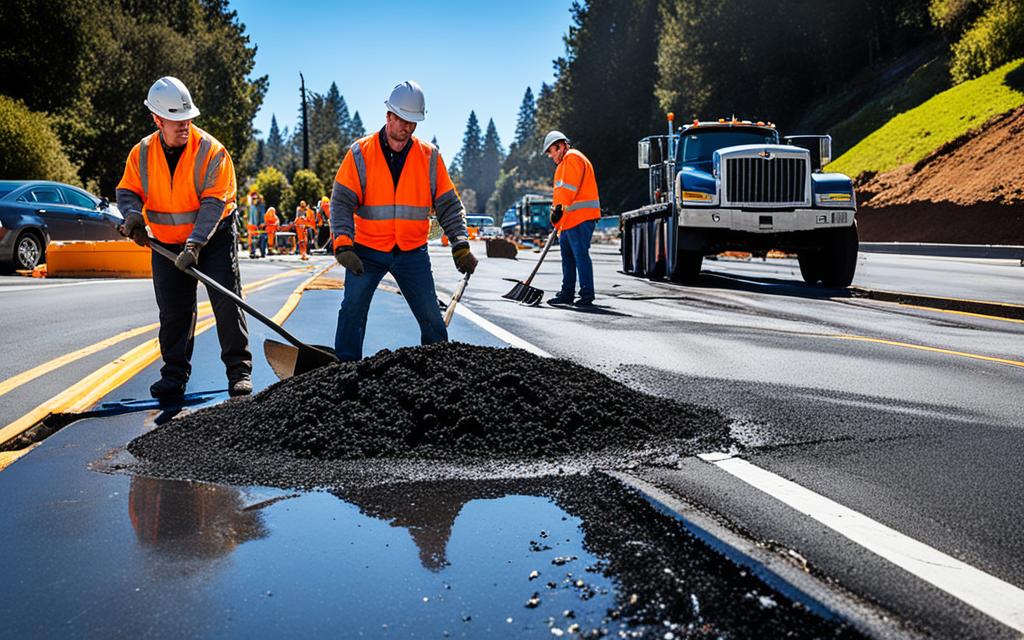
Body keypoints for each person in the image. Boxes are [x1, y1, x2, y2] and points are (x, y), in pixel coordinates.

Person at [116, 76, 252, 398]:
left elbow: (213, 204)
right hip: (164, 242)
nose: (184, 126)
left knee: (227, 301)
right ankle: (174, 376)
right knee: (174, 311)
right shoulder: (142, 154)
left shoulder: (212, 152)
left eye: (187, 118)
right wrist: (133, 217)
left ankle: (239, 371)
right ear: (157, 119)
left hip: (213, 237)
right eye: (176, 120)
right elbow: (127, 190)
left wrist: (195, 245)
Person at [330, 80, 477, 361]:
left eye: (413, 122)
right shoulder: (360, 153)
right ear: (389, 116)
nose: (407, 127)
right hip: (367, 252)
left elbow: (448, 205)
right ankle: (345, 371)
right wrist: (343, 244)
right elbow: (341, 201)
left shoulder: (429, 157)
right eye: (402, 120)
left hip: (412, 254)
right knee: (352, 311)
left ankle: (438, 369)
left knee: (431, 319)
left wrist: (460, 244)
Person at [542, 130, 601, 307]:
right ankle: (567, 293)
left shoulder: (572, 158)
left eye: (551, 151)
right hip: (569, 220)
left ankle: (586, 294)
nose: (551, 156)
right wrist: (557, 216)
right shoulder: (564, 163)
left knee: (580, 255)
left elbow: (568, 189)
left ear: (560, 146)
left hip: (580, 218)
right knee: (567, 257)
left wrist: (558, 210)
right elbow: (561, 192)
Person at [247, 192, 266, 258]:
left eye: (255, 198)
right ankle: (252, 252)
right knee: (252, 240)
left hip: (259, 225)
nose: (254, 200)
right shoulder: (251, 206)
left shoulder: (261, 206)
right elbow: (250, 216)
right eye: (253, 198)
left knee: (261, 238)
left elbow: (262, 215)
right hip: (252, 225)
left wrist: (262, 223)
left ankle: (262, 252)